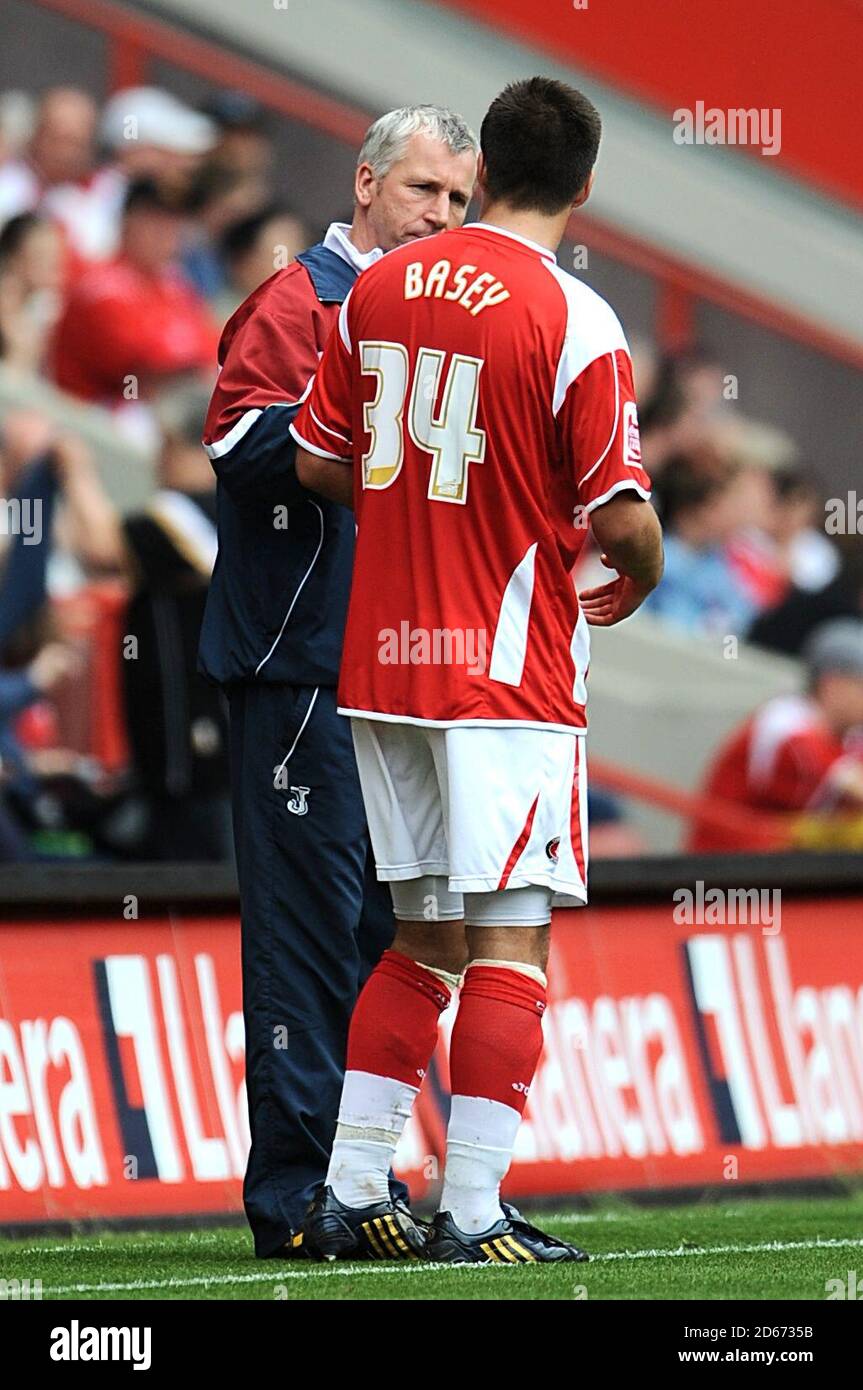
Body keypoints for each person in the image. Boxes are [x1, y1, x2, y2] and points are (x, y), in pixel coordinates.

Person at [291, 76, 663, 1263]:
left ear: (485, 163)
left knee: (420, 936)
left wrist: (415, 515)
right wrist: (635, 579)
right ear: (584, 186)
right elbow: (620, 516)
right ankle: (468, 1209)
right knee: (510, 942)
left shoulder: (378, 284)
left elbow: (314, 461)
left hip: (382, 669)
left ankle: (349, 1191)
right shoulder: (574, 318)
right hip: (502, 676)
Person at [198, 105, 477, 1258]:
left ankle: (356, 1184)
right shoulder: (299, 299)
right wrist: (358, 420)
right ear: (364, 184)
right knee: (308, 941)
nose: (441, 217)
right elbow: (229, 445)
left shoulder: (429, 322)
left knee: (386, 932)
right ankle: (297, 1203)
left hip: (394, 668)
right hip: (299, 661)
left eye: (459, 200)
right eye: (423, 191)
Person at [56, 391, 232, 861]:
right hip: (175, 754)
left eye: (166, 446)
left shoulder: (194, 510)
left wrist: (75, 468)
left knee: (203, 875)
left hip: (199, 754)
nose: (157, 460)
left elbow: (100, 548)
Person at [51, 177, 218, 433]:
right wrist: (190, 365)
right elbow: (147, 374)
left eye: (174, 223)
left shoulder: (176, 288)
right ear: (128, 220)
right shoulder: (99, 286)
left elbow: (213, 357)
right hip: (82, 420)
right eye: (156, 221)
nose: (167, 234)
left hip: (141, 422)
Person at [689, 618, 863, 853]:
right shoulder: (783, 721)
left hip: (782, 871)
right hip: (720, 870)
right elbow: (835, 776)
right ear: (832, 682)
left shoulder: (850, 737)